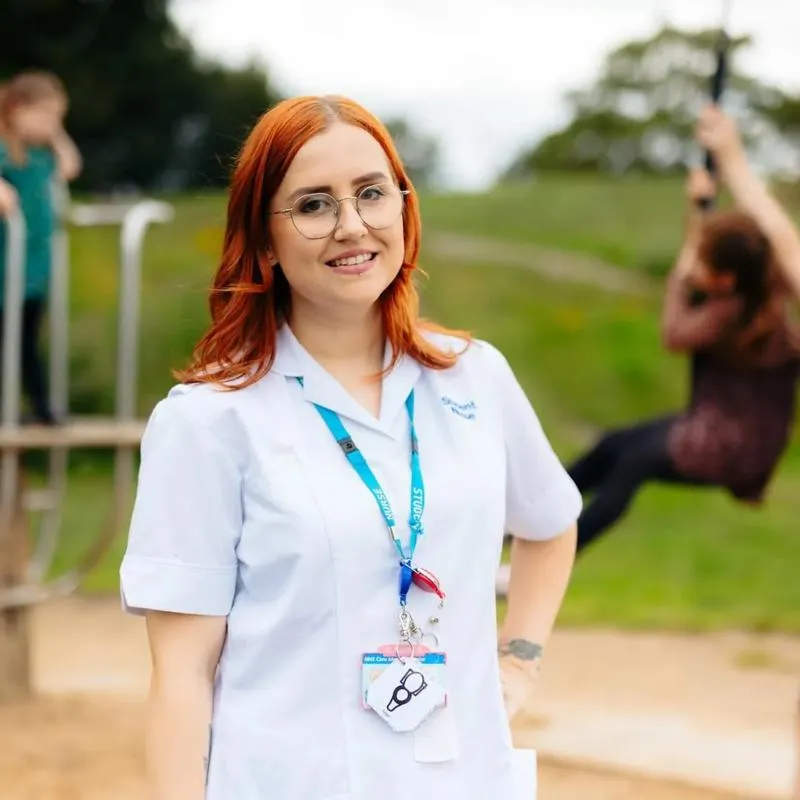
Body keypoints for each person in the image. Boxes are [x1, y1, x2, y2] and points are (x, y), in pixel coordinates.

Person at [119, 95, 580, 800]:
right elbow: (180, 677)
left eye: (371, 194)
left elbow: (549, 523)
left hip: (465, 779)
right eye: (312, 205)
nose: (352, 225)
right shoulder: (209, 421)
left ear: (404, 207)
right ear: (264, 241)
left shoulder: (473, 375)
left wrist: (517, 663)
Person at [568, 105, 800, 555]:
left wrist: (731, 161)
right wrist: (701, 207)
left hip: (729, 444)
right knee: (615, 446)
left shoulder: (729, 313)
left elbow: (680, 317)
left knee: (630, 461)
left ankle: (538, 553)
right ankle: (522, 523)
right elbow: (763, 246)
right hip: (716, 431)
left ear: (725, 280)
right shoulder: (761, 295)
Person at [0, 70, 82, 424]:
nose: (51, 124)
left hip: (33, 266)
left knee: (27, 342)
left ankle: (40, 405)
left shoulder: (42, 153)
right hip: (5, 264)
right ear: (17, 110)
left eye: (57, 118)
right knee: (6, 340)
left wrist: (55, 132)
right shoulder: (6, 150)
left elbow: (71, 167)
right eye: (44, 116)